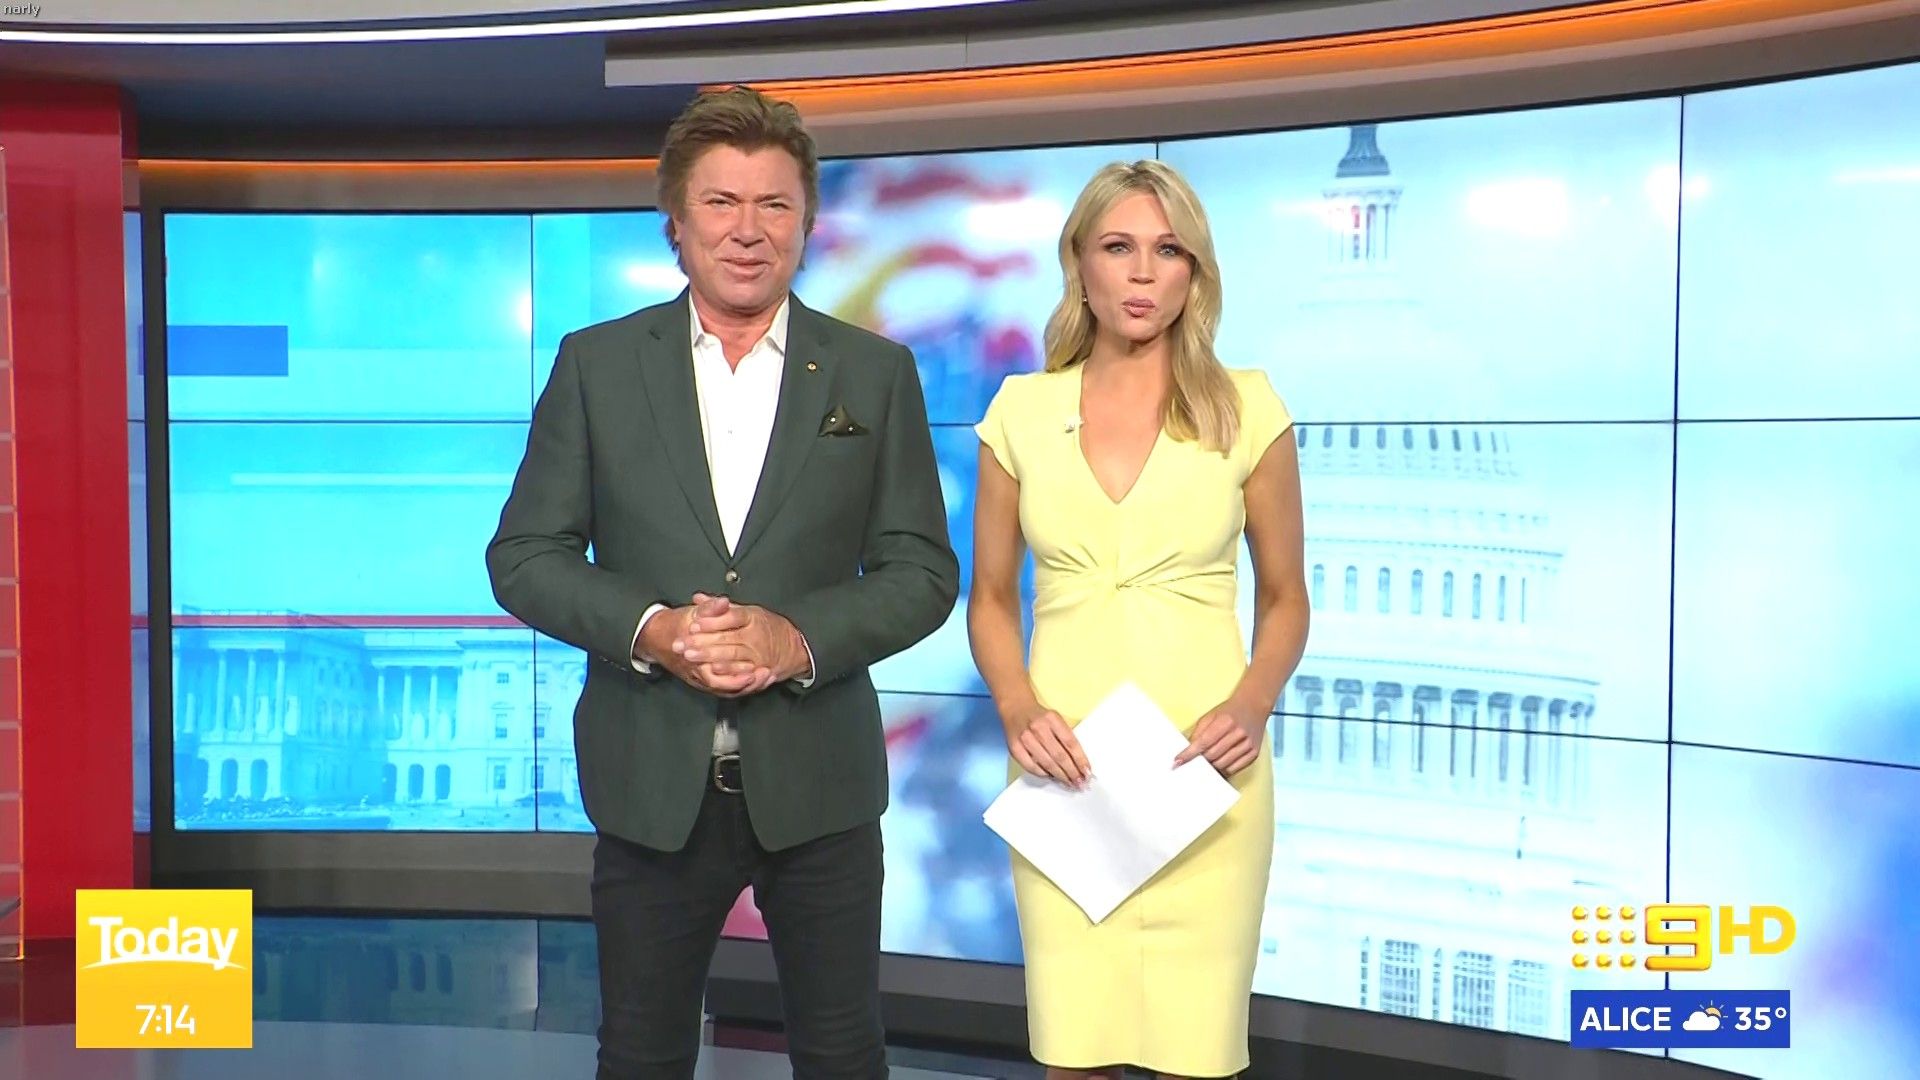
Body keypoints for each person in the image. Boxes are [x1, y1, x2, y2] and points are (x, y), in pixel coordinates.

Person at [486, 85, 959, 1080]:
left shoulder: (874, 372)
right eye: (722, 202)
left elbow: (921, 569)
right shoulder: (598, 365)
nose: (749, 230)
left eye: (774, 204)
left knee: (843, 1054)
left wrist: (796, 639)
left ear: (808, 223)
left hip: (822, 790)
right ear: (677, 222)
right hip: (650, 786)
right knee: (642, 1055)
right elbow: (524, 555)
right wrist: (652, 628)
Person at [967, 159, 1310, 1079]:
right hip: (1067, 772)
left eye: (1169, 251)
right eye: (1119, 247)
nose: (1144, 272)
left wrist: (1252, 704)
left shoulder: (1248, 408)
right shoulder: (1021, 412)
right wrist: (1016, 707)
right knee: (1074, 1053)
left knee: (1198, 1058)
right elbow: (990, 597)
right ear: (1079, 261)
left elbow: (1286, 597)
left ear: (1195, 271)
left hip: (1205, 771)